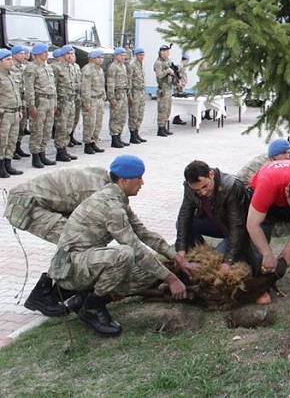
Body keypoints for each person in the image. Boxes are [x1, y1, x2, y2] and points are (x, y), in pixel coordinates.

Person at [48, 155, 192, 336]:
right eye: (139, 178)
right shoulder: (112, 207)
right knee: (124, 254)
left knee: (150, 272)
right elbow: (136, 248)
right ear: (124, 181)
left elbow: (144, 233)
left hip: (85, 262)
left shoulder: (117, 198)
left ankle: (85, 299)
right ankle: (93, 307)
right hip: (71, 269)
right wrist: (172, 279)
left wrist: (176, 258)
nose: (142, 183)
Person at [5, 165, 113, 316]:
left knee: (86, 239)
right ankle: (42, 296)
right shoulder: (95, 193)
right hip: (28, 206)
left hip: (46, 203)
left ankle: (62, 289)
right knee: (77, 243)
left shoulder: (105, 182)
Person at [175, 160, 254, 274]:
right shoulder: (189, 187)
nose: (202, 192)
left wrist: (228, 260)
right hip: (215, 223)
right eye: (197, 190)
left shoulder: (232, 186)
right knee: (183, 224)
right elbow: (184, 215)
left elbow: (237, 226)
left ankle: (214, 257)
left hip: (237, 230)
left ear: (211, 174)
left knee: (216, 261)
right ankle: (199, 254)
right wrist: (181, 249)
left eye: (205, 186)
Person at [24, 43, 57, 168]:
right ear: (37, 54)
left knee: (47, 129)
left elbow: (53, 87)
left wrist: (54, 102)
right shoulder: (31, 68)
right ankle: (36, 156)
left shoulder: (48, 67)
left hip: (49, 101)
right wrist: (31, 106)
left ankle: (43, 153)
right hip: (40, 102)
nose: (46, 54)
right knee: (37, 129)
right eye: (44, 52)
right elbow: (29, 88)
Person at [52, 46, 77, 162]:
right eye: (68, 53)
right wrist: (55, 103)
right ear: (62, 55)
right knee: (61, 127)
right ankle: (60, 151)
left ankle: (64, 148)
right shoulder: (56, 68)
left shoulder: (71, 67)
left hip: (71, 101)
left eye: (72, 53)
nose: (70, 55)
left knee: (68, 126)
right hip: (62, 101)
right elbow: (54, 87)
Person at [0, 48, 23, 178]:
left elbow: (17, 94)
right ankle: (1, 165)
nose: (11, 61)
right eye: (7, 59)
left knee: (12, 140)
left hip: (14, 113)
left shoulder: (12, 75)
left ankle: (8, 163)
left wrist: (19, 109)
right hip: (4, 114)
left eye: (11, 59)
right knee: (2, 141)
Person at [80, 50, 106, 155]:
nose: (101, 59)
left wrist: (104, 97)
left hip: (99, 99)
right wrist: (86, 102)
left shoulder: (99, 69)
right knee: (89, 123)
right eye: (98, 57)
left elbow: (102, 85)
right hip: (91, 99)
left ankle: (94, 141)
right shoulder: (87, 69)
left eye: (102, 57)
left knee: (97, 122)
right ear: (92, 58)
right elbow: (85, 87)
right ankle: (87, 144)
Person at [106, 47, 131, 148]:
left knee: (122, 117)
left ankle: (119, 136)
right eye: (121, 55)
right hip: (117, 94)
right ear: (116, 56)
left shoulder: (123, 66)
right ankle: (114, 138)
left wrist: (128, 94)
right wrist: (111, 98)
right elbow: (110, 84)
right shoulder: (113, 67)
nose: (123, 57)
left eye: (124, 55)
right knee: (115, 117)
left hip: (123, 93)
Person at [11, 44, 31, 159]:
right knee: (15, 127)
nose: (23, 55)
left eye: (24, 53)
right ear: (14, 55)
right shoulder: (11, 68)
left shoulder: (24, 67)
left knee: (22, 126)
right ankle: (11, 150)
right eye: (20, 53)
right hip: (15, 102)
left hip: (24, 101)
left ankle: (18, 147)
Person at [127, 46, 149, 144]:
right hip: (135, 92)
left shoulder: (141, 64)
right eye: (140, 55)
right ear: (136, 55)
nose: (142, 57)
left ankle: (137, 133)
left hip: (141, 92)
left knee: (140, 114)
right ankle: (132, 135)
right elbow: (129, 80)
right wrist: (129, 95)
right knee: (134, 114)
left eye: (143, 55)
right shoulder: (132, 64)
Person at [154, 44, 176, 137]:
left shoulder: (168, 61)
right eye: (167, 51)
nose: (168, 53)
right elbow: (159, 75)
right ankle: (160, 128)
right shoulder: (158, 63)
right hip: (163, 89)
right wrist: (167, 71)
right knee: (162, 109)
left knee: (167, 109)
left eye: (168, 51)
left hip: (169, 88)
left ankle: (164, 127)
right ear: (162, 52)